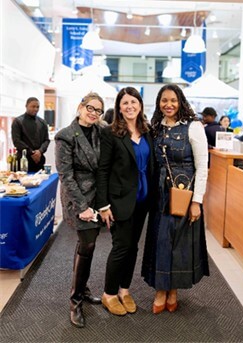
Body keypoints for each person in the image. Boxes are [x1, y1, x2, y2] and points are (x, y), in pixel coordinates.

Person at [142, 84, 209, 314]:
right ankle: (161, 289)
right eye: (164, 100)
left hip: (184, 193)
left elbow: (202, 167)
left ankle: (174, 290)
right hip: (159, 195)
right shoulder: (155, 128)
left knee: (179, 244)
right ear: (159, 104)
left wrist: (197, 201)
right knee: (160, 241)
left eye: (173, 100)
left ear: (180, 101)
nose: (168, 105)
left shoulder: (194, 127)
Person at [96, 87, 154, 316]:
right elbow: (103, 170)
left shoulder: (147, 131)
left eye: (133, 102)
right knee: (121, 247)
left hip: (143, 199)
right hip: (119, 201)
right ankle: (108, 294)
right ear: (119, 108)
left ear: (140, 105)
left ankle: (124, 289)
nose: (129, 106)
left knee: (132, 248)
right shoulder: (111, 133)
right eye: (124, 103)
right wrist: (103, 205)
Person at [55, 93, 105, 328]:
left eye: (98, 110)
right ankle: (75, 301)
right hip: (77, 197)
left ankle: (82, 289)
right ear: (80, 107)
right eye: (90, 108)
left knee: (89, 243)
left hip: (96, 195)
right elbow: (65, 176)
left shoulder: (99, 130)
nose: (94, 113)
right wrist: (82, 207)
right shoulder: (65, 136)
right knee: (87, 243)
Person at [11, 97, 50, 172]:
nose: (36, 109)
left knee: (41, 183)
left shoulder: (43, 122)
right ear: (26, 106)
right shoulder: (18, 121)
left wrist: (40, 151)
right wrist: (31, 153)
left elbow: (46, 140)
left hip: (39, 160)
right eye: (33, 106)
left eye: (37, 107)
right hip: (23, 160)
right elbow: (16, 141)